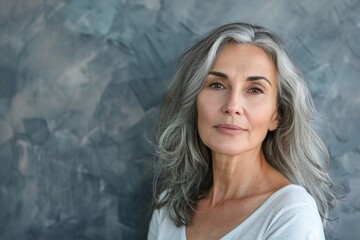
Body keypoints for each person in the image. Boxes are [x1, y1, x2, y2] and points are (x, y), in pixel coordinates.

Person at [148, 22, 338, 240]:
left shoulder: (290, 213)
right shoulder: (170, 205)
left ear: (277, 115)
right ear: (194, 102)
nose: (232, 105)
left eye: (255, 89)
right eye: (217, 85)